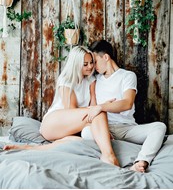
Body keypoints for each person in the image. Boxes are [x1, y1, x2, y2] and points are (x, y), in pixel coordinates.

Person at [4, 45, 119, 167]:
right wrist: (102, 110)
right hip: (53, 123)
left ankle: (27, 148)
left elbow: (93, 105)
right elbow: (72, 110)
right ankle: (109, 156)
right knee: (100, 111)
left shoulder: (91, 80)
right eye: (85, 64)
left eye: (91, 62)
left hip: (73, 126)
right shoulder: (66, 81)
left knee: (84, 133)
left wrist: (101, 125)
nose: (90, 67)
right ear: (76, 64)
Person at [81, 40, 167, 173]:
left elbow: (127, 103)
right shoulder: (95, 80)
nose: (93, 66)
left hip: (127, 128)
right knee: (86, 132)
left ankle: (141, 161)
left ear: (106, 57)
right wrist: (99, 110)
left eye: (95, 61)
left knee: (159, 127)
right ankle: (109, 150)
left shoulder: (127, 76)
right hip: (105, 128)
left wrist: (101, 107)